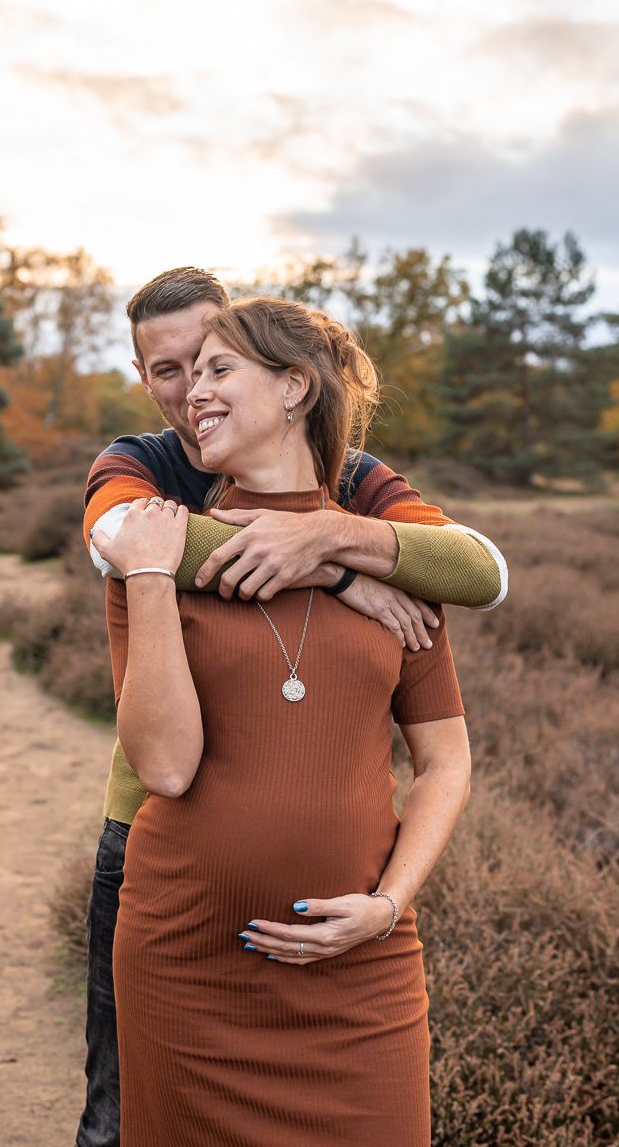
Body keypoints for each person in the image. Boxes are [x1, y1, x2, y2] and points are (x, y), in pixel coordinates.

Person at [76, 268, 506, 1147]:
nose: (191, 392)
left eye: (215, 367)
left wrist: (388, 905)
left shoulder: (386, 534)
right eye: (173, 373)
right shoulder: (146, 507)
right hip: (186, 955)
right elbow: (166, 766)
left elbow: (448, 744)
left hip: (363, 971)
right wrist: (156, 573)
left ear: (293, 386)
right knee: (113, 1119)